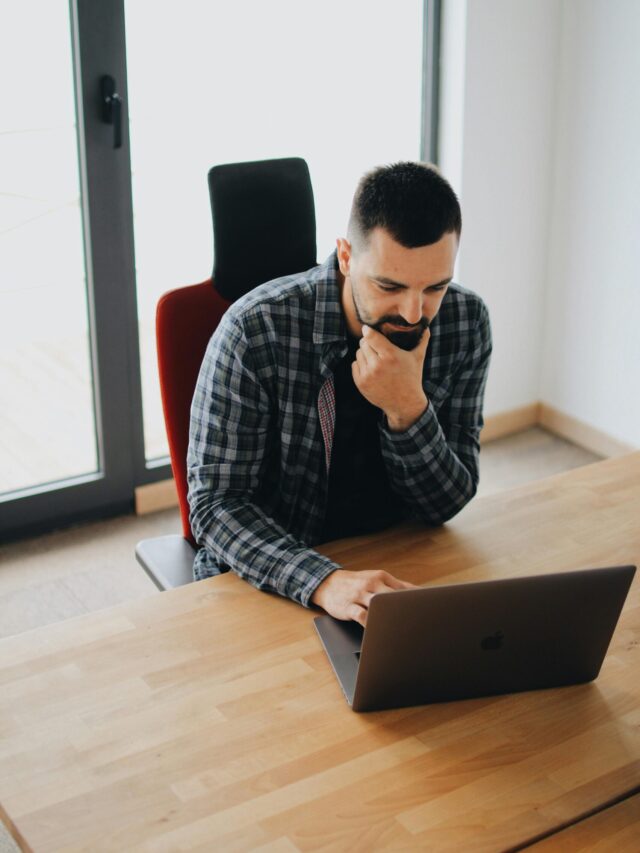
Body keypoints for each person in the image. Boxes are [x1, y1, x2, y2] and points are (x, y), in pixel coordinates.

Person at [187, 161, 492, 626]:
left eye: (435, 287)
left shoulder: (466, 322)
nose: (413, 313)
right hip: (271, 578)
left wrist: (407, 408)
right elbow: (215, 508)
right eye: (389, 285)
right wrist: (323, 581)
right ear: (346, 256)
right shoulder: (255, 330)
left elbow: (445, 504)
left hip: (394, 565)